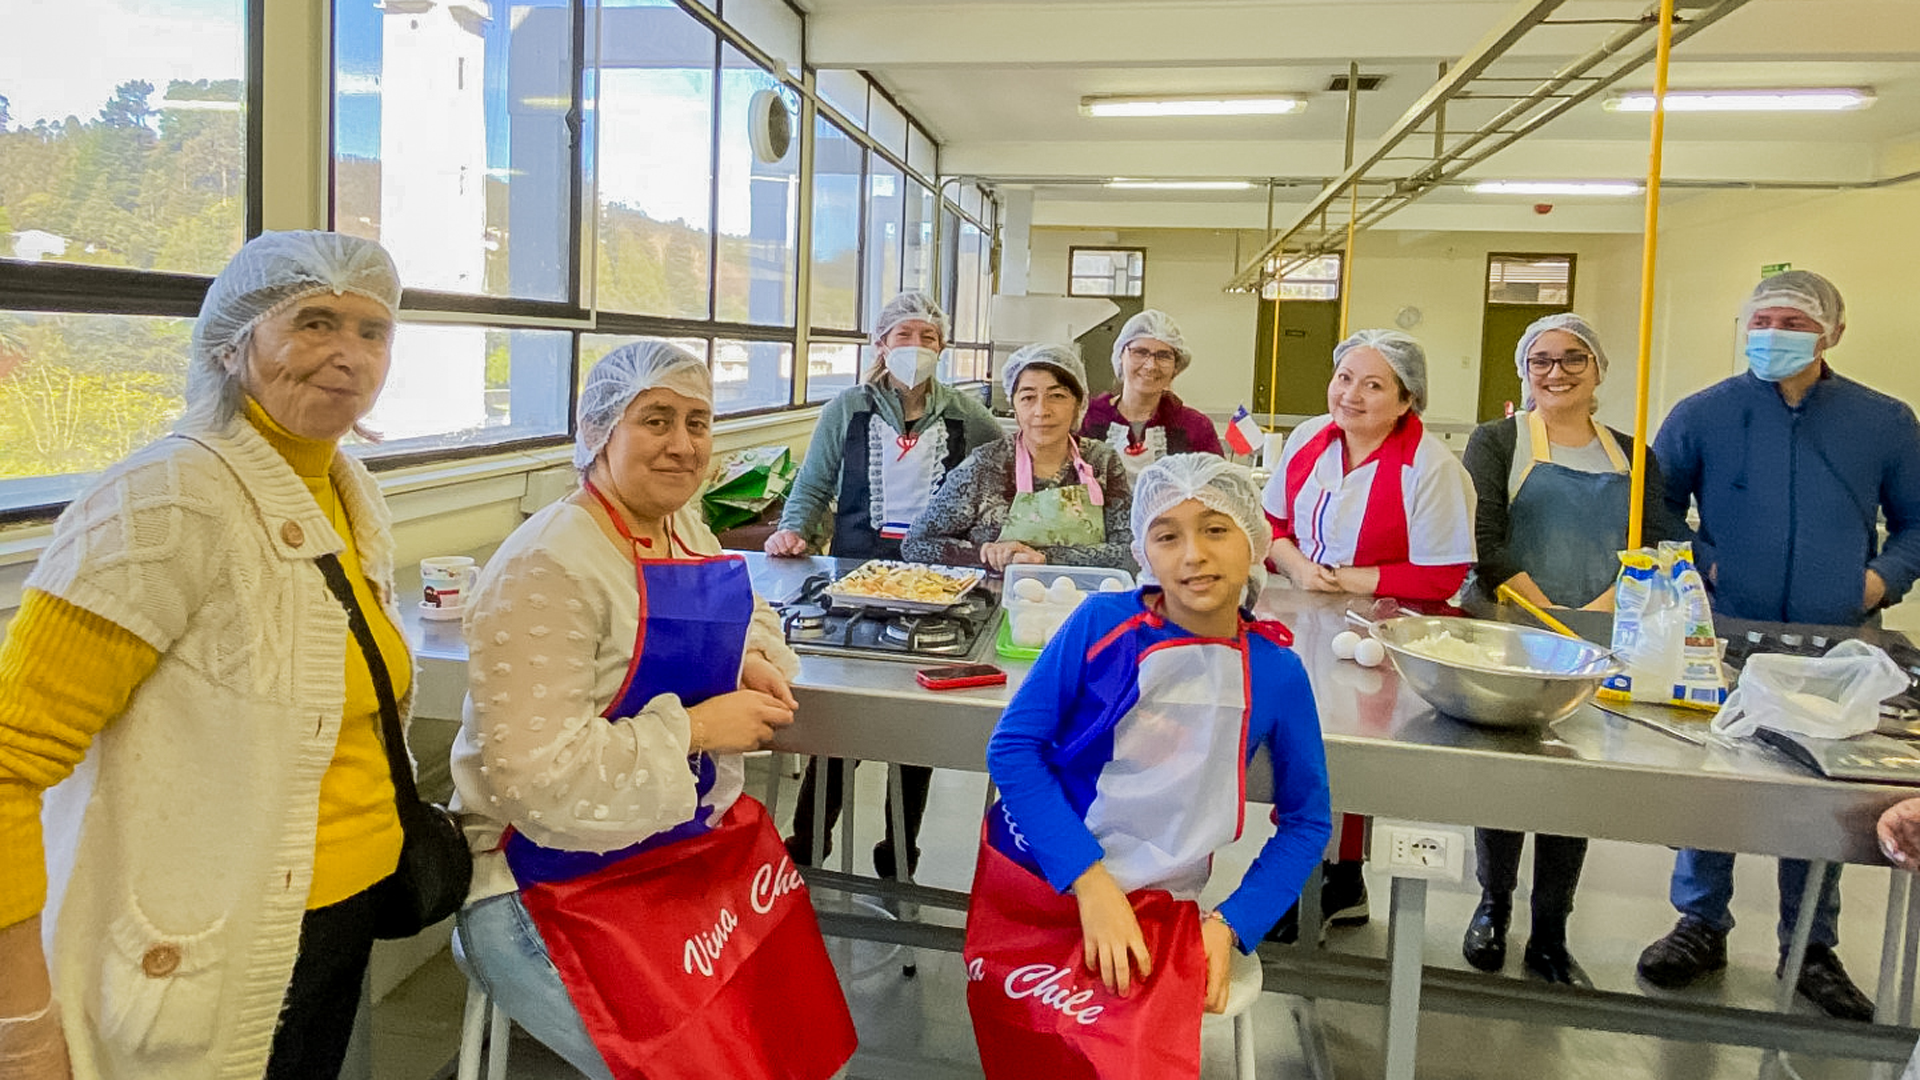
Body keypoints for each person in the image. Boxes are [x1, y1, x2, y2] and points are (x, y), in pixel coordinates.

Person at [0, 231, 420, 1078]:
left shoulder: (345, 486)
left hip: (334, 919)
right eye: (314, 321)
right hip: (202, 951)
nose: (347, 354)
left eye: (372, 331)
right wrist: (21, 1023)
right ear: (232, 343)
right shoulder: (165, 500)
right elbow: (9, 758)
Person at [449, 342, 855, 1080]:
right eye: (657, 420)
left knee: (793, 1041)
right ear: (602, 431)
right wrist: (698, 730)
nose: (682, 445)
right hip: (543, 879)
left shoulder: (681, 528)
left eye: (698, 422)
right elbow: (536, 779)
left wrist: (749, 657)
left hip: (673, 850)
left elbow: (751, 611)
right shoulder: (549, 563)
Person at [963, 454, 1331, 1079]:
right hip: (1043, 875)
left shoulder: (1277, 671)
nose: (1193, 555)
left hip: (1163, 904)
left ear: (1256, 541)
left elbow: (1307, 821)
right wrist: (1090, 883)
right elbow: (1013, 749)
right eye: (1168, 535)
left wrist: (1232, 927)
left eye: (1216, 529)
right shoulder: (1101, 623)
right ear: (1143, 551)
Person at [1638, 270, 1920, 1022]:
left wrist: (1878, 582)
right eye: (1760, 318)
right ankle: (1700, 921)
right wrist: (1705, 563)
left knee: (1820, 792)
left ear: (1831, 330)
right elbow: (1656, 508)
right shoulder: (1704, 414)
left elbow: (1918, 522)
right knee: (1716, 780)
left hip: (1837, 643)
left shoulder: (1883, 421)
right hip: (1727, 631)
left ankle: (1812, 943)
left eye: (1791, 319)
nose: (1773, 331)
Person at [1458, 313, 1684, 987]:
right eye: (1542, 360)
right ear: (1525, 371)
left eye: (1572, 359)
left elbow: (1661, 537)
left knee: (1573, 780)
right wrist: (1548, 612)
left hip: (1602, 637)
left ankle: (1551, 930)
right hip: (1510, 628)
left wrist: (1607, 608)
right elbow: (1486, 540)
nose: (1556, 372)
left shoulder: (1632, 453)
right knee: (1503, 776)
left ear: (1598, 371)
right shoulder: (1497, 441)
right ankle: (1492, 906)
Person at [766, 291, 1001, 880]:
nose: (915, 348)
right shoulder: (846, 408)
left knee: (915, 728)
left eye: (927, 338)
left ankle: (900, 852)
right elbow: (813, 485)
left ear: (941, 346)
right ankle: (808, 845)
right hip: (853, 578)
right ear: (880, 344)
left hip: (938, 586)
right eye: (904, 337)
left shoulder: (967, 416)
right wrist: (793, 532)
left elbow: (1006, 468)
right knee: (843, 725)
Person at [1259, 328, 1476, 936]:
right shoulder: (1308, 440)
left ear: (1408, 401)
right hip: (1303, 614)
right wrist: (1297, 565)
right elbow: (1270, 520)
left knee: (1353, 752)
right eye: (1344, 378)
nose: (1350, 395)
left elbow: (1443, 573)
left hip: (1385, 631)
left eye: (1373, 385)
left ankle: (1343, 880)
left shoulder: (1429, 467)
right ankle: (1298, 874)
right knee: (1296, 741)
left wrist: (1356, 579)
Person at [904, 343, 1135, 572]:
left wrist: (1043, 559)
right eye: (1028, 397)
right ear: (1013, 404)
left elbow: (1131, 552)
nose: (1041, 411)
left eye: (1057, 396)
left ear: (1078, 403)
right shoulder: (986, 465)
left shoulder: (1102, 461)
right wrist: (983, 553)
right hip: (998, 602)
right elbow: (916, 544)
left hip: (1083, 602)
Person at [1080, 309, 1224, 475]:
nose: (1151, 366)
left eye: (1163, 356)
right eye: (1140, 352)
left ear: (1176, 366)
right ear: (1121, 355)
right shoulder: (1087, 420)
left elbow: (1217, 490)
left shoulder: (1196, 427)